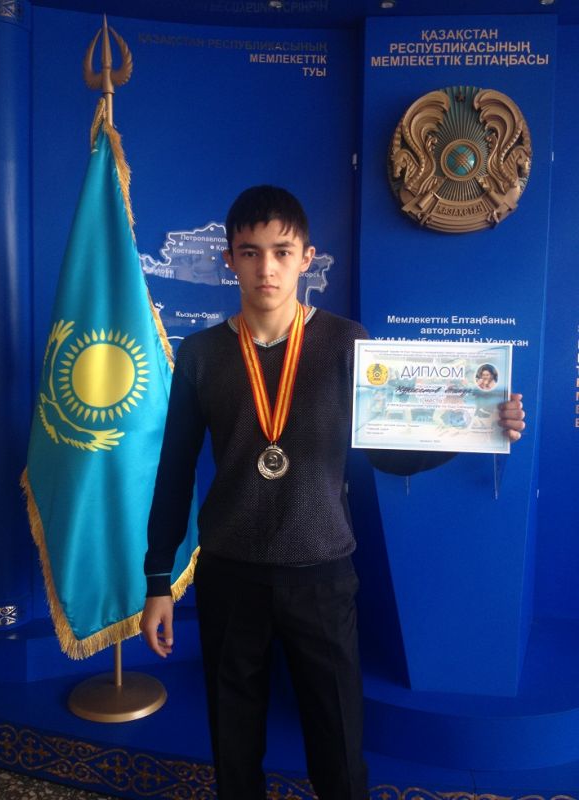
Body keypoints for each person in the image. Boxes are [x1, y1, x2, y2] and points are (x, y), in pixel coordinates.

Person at [140, 186, 526, 800]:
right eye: (250, 252)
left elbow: (389, 453)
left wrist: (477, 426)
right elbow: (174, 469)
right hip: (230, 573)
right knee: (233, 742)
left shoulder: (348, 345)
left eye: (281, 251)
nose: (266, 268)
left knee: (339, 747)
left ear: (306, 258)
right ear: (230, 260)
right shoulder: (202, 354)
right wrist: (158, 579)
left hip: (321, 572)